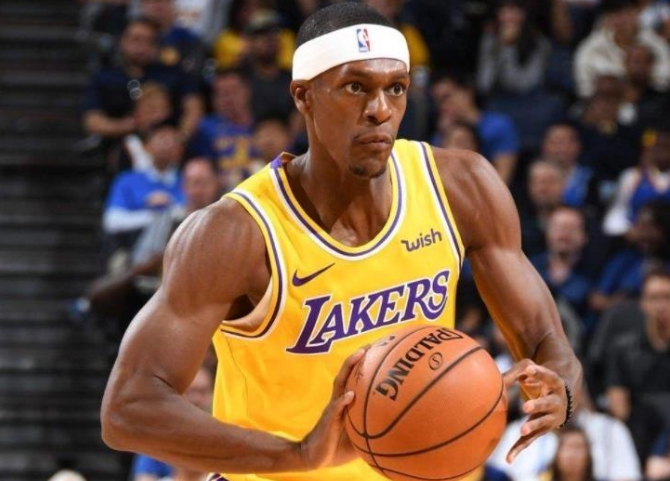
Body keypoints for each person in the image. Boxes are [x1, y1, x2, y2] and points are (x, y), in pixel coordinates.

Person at [101, 4, 582, 481]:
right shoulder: (236, 232)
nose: (380, 109)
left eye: (396, 88)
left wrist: (560, 390)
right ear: (303, 96)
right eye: (356, 87)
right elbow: (128, 408)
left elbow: (546, 340)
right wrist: (298, 455)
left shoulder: (461, 187)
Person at [605, 268, 670, 460]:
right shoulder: (623, 349)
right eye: (654, 298)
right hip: (638, 443)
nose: (661, 305)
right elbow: (619, 406)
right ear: (643, 303)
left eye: (667, 297)